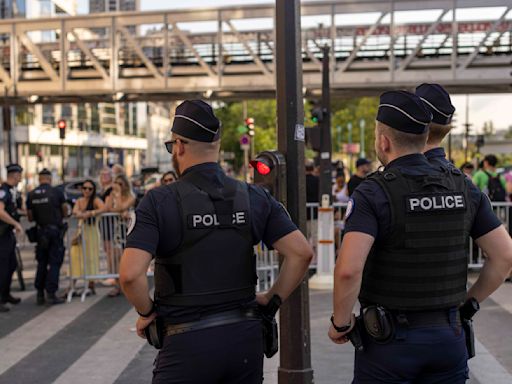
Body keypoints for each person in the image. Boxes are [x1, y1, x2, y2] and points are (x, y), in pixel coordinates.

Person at [119, 100, 313, 384]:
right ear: (217, 146)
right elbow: (301, 253)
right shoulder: (253, 196)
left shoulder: (159, 201)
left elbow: (129, 274)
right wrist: (271, 301)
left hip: (186, 343)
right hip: (244, 340)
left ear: (179, 145)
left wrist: (147, 312)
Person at [328, 91, 512, 383]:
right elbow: (504, 256)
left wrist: (340, 322)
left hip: (389, 343)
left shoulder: (374, 191)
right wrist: (468, 304)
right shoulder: (461, 186)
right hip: (449, 337)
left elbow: (349, 270)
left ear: (383, 141)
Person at [26, 168, 68, 305]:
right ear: (50, 179)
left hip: (40, 233)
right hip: (55, 232)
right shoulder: (56, 192)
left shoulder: (31, 194)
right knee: (55, 262)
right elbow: (65, 211)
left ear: (39, 179)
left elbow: (30, 217)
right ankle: (51, 293)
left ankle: (39, 293)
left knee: (42, 262)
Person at [103, 173, 136, 297]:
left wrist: (117, 197)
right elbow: (108, 209)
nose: (117, 186)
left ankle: (127, 285)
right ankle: (118, 285)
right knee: (115, 257)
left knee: (127, 258)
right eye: (116, 184)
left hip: (129, 229)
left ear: (125, 185)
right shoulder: (113, 194)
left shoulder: (130, 195)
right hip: (117, 230)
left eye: (120, 184)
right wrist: (114, 196)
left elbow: (121, 207)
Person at [71, 179, 104, 294]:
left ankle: (91, 284)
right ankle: (73, 285)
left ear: (93, 190)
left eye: (90, 189)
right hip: (81, 231)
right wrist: (80, 214)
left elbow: (104, 208)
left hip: (92, 232)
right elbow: (75, 211)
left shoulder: (96, 200)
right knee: (75, 256)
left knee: (91, 257)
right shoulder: (80, 200)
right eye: (84, 188)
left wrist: (91, 213)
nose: (87, 191)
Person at [0, 164, 24, 312]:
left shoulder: (12, 191)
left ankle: (5, 294)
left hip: (7, 234)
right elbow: (0, 212)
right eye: (20, 174)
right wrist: (15, 223)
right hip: (1, 235)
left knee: (11, 265)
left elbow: (13, 210)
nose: (21, 177)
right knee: (2, 267)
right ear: (14, 175)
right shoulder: (3, 191)